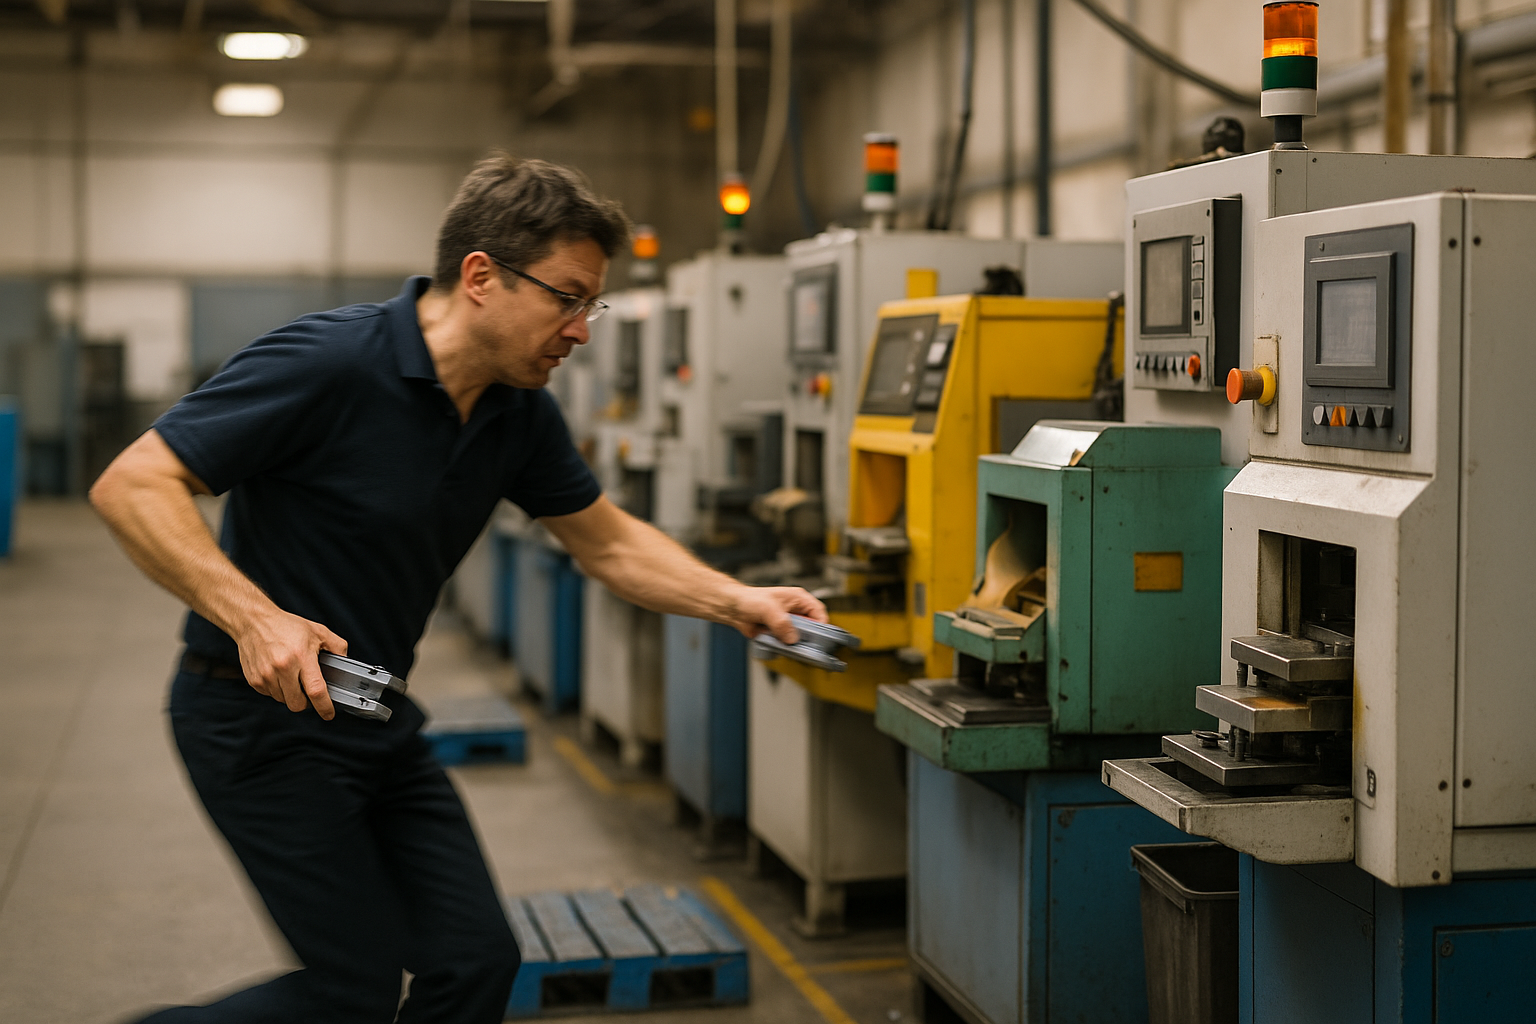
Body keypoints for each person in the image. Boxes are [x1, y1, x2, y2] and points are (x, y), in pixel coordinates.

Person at [90, 153, 826, 1024]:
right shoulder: (331, 361)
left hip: (373, 716)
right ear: (481, 276)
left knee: (475, 962)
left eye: (593, 303)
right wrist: (256, 619)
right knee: (351, 992)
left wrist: (741, 601)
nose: (582, 329)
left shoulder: (516, 412)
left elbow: (608, 542)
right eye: (566, 296)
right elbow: (134, 484)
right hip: (255, 724)